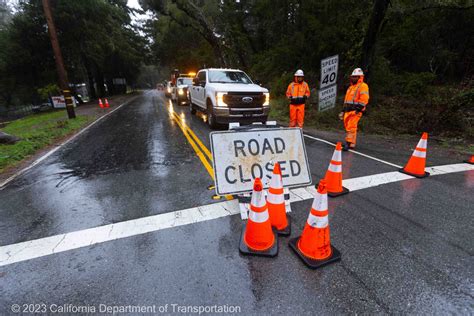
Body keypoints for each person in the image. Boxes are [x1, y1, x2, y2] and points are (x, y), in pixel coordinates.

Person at [339, 68, 369, 151]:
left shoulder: (363, 86)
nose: (353, 78)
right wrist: (342, 111)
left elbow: (364, 99)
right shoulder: (350, 88)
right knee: (348, 127)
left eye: (355, 77)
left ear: (360, 77)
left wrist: (359, 109)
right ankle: (352, 143)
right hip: (348, 111)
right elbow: (346, 101)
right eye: (353, 76)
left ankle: (348, 144)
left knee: (352, 127)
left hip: (356, 111)